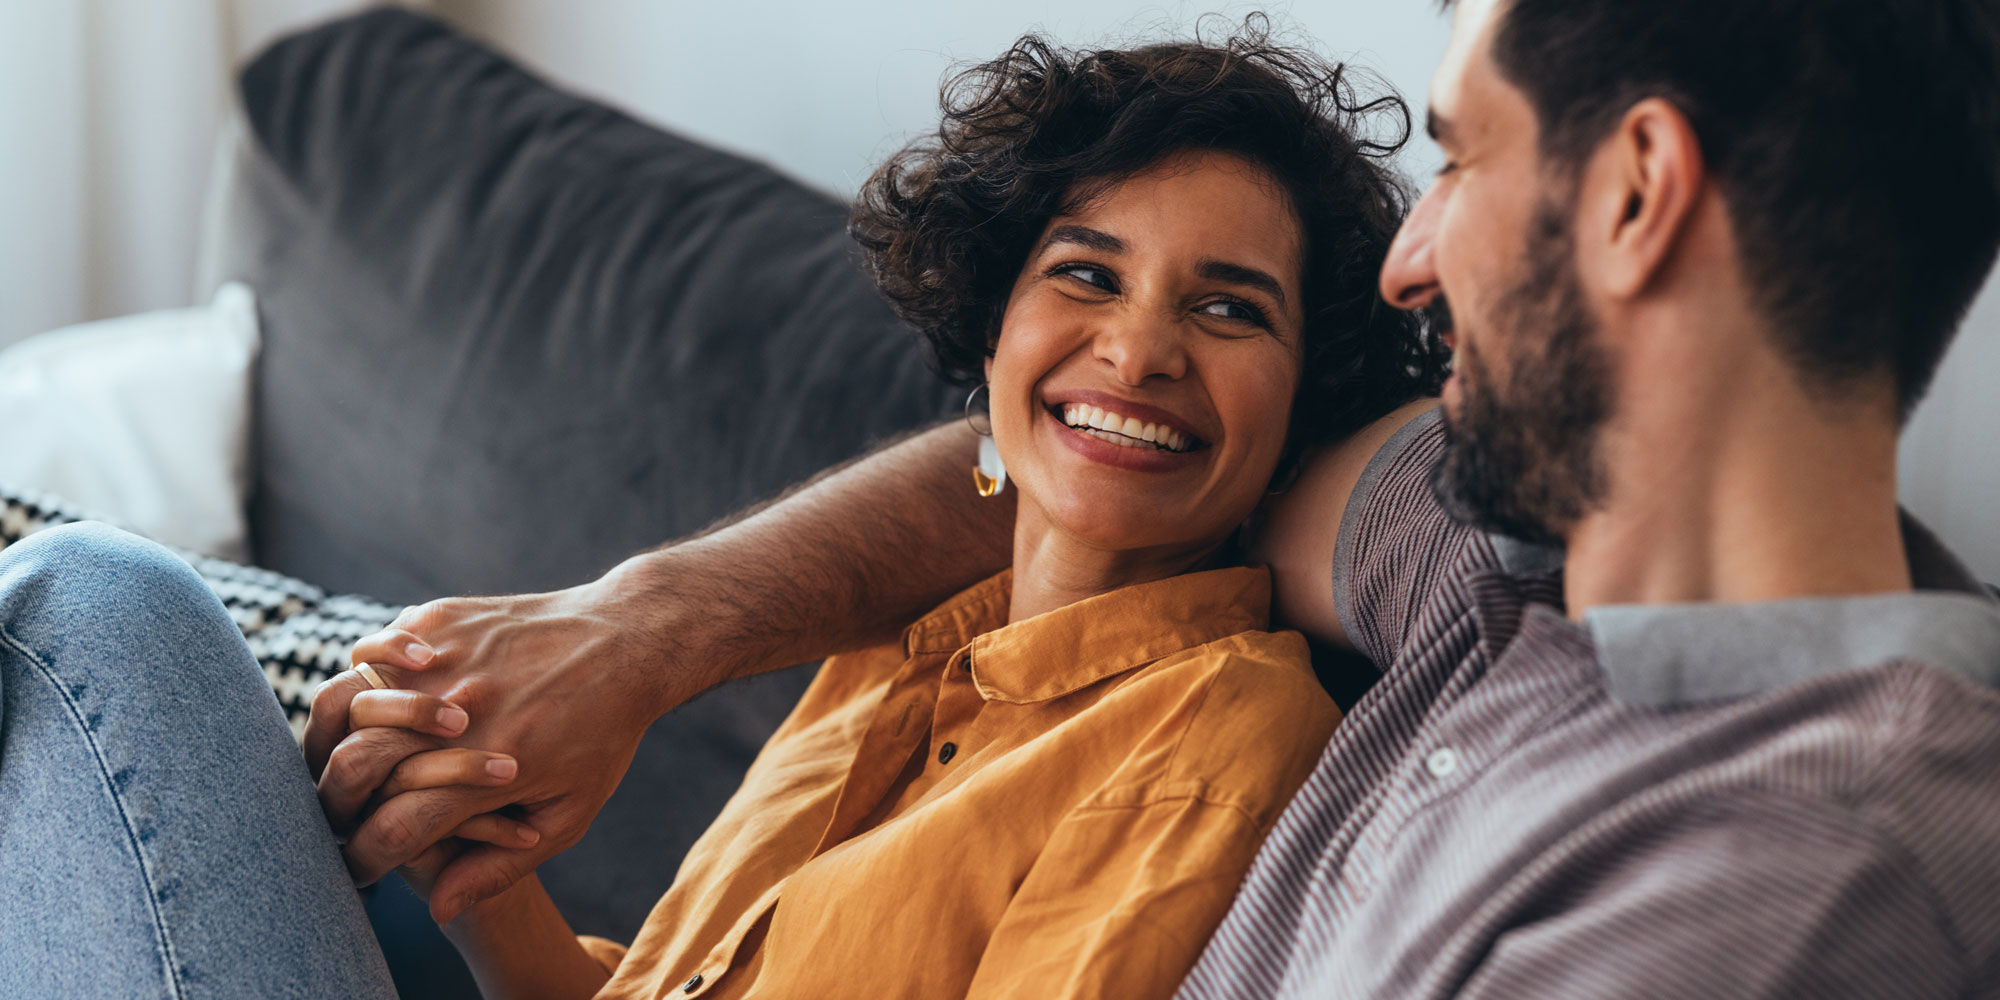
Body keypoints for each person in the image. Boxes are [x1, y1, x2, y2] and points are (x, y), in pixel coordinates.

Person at [320, 0, 2000, 996]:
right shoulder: (1475, 554)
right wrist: (641, 632)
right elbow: (1090, 465)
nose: (1417, 261)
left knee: (107, 622)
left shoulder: (1787, 885)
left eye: (1467, 158)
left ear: (1636, 195)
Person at [0, 25, 1442, 1000]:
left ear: (1306, 401)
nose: (1137, 349)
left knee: (96, 615)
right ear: (992, 331)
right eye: (1084, 273)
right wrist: (485, 877)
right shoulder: (900, 648)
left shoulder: (1224, 738)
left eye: (1228, 307)